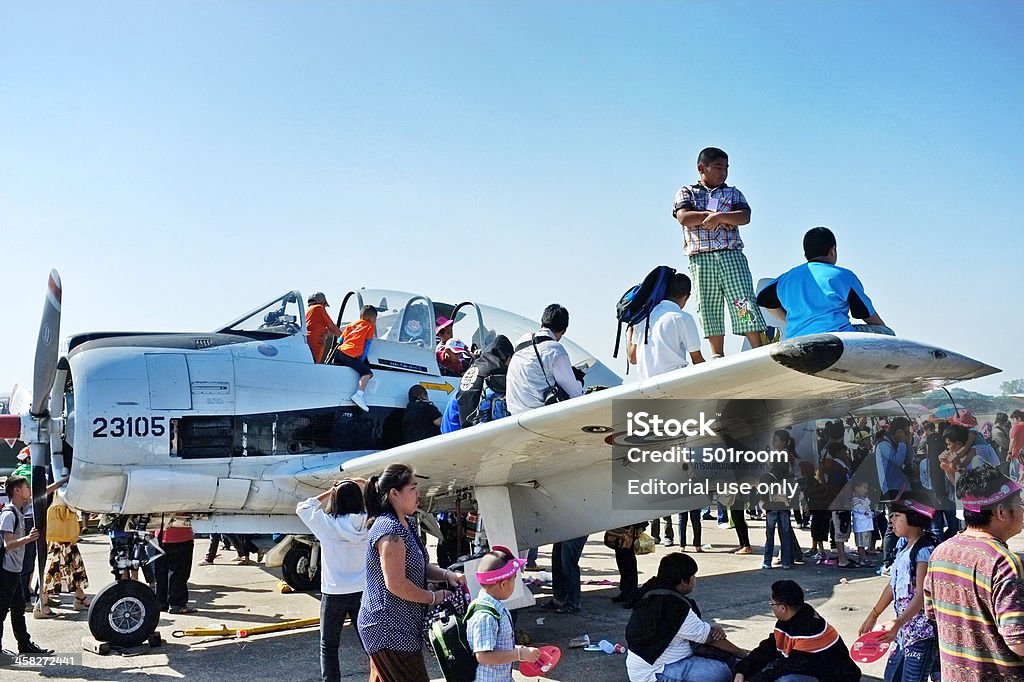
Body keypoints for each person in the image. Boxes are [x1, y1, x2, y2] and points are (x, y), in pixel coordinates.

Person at [356, 463, 465, 682]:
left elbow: (417, 566)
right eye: (413, 489)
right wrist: (434, 597)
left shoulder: (406, 523)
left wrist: (446, 575)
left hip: (399, 626)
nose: (418, 494)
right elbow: (396, 584)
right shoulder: (389, 530)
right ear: (394, 493)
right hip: (389, 628)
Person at [924, 467, 1024, 680]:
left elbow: (932, 614)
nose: (1023, 510)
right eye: (1020, 504)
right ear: (1001, 512)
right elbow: (1018, 641)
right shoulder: (1003, 562)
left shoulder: (940, 553)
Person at [672, 147, 766, 357]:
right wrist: (718, 217)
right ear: (701, 168)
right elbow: (685, 217)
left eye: (726, 168)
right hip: (701, 257)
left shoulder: (733, 192)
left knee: (742, 299)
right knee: (708, 304)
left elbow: (744, 216)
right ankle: (717, 354)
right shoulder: (687, 191)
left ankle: (756, 345)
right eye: (717, 167)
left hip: (730, 254)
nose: (723, 172)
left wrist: (719, 217)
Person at [625, 552, 746, 682]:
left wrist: (712, 629)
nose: (695, 579)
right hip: (655, 673)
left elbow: (697, 630)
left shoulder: (652, 592)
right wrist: (743, 654)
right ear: (683, 581)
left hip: (645, 667)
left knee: (724, 661)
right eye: (693, 576)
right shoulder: (674, 607)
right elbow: (711, 639)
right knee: (721, 671)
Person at [756, 227, 893, 339]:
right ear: (833, 250)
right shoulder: (844, 276)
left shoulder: (786, 279)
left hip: (796, 339)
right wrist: (885, 330)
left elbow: (764, 299)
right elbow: (866, 314)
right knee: (888, 333)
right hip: (836, 340)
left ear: (805, 255)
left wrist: (789, 320)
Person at [859, 492, 939, 682]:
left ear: (914, 518)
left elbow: (921, 595)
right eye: (891, 516)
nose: (891, 521)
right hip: (903, 632)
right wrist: (874, 614)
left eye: (896, 516)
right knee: (891, 677)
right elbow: (893, 585)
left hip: (921, 635)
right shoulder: (903, 545)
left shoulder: (924, 551)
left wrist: (898, 622)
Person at [297, 479, 369, 682]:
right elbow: (381, 499)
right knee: (370, 644)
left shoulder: (327, 525)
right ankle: (379, 676)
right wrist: (364, 483)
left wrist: (331, 490)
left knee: (329, 647)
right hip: (363, 590)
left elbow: (303, 507)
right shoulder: (368, 522)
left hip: (334, 591)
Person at [734, 580, 861, 682]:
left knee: (785, 679)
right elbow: (768, 648)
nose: (771, 607)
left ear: (783, 607)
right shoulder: (791, 618)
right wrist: (742, 671)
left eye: (771, 603)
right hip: (809, 670)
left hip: (834, 677)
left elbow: (788, 666)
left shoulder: (810, 630)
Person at [466, 546, 541, 680]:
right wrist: (519, 654)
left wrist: (519, 650)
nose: (516, 583)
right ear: (504, 584)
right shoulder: (485, 616)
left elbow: (497, 644)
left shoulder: (496, 607)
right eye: (515, 578)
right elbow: (483, 656)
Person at [0, 475, 54, 657]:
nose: (29, 490)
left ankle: (24, 645)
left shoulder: (21, 509)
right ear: (17, 491)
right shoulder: (9, 514)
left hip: (14, 571)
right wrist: (28, 538)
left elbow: (43, 493)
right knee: (1, 611)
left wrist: (65, 481)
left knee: (18, 609)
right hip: (6, 572)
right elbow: (8, 544)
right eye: (27, 487)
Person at [506, 304, 583, 414]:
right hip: (540, 418)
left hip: (514, 416)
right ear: (564, 331)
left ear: (542, 323)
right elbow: (575, 393)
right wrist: (580, 382)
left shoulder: (520, 345)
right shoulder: (554, 349)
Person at [626, 272, 706, 378]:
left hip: (647, 385)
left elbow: (632, 358)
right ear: (687, 296)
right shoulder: (683, 318)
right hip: (674, 382)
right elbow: (697, 360)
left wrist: (629, 333)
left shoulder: (644, 316)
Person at [37, 487, 90, 618]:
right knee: (55, 568)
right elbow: (73, 505)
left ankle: (80, 597)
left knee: (73, 563)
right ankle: (41, 604)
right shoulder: (66, 483)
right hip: (62, 532)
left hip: (62, 531)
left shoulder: (62, 480)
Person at [455, 334, 514, 429]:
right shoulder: (495, 368)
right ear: (505, 355)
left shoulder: (475, 366)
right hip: (481, 425)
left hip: (465, 423)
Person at [332, 305, 377, 411]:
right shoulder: (370, 326)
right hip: (350, 355)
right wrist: (361, 360)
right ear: (371, 317)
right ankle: (359, 395)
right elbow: (367, 345)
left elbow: (340, 340)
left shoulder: (351, 324)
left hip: (339, 353)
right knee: (367, 373)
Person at [153, 514, 197, 614]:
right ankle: (177, 604)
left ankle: (161, 602)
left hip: (161, 536)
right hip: (181, 536)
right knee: (179, 572)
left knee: (161, 572)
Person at [760, 462, 794, 570]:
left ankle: (767, 561)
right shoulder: (788, 477)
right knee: (785, 535)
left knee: (770, 535)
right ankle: (786, 562)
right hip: (784, 508)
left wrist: (765, 504)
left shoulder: (765, 477)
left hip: (771, 509)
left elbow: (762, 494)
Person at [306, 292, 344, 364]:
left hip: (309, 342)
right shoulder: (319, 308)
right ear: (323, 302)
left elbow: (315, 326)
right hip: (315, 344)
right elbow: (331, 326)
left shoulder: (309, 310)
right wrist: (344, 338)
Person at [850, 481, 874, 566]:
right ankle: (862, 559)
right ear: (857, 488)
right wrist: (867, 503)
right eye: (864, 488)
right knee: (861, 544)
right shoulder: (855, 500)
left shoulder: (864, 500)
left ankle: (864, 558)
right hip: (860, 527)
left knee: (866, 543)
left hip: (867, 526)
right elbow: (861, 510)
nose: (866, 490)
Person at [1010, 410, 1024, 481]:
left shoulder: (1017, 426)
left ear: (1018, 418)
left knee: (1014, 475)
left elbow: (1013, 440)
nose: (1013, 422)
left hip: (1016, 454)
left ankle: (1016, 490)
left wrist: (1009, 452)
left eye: (1013, 419)